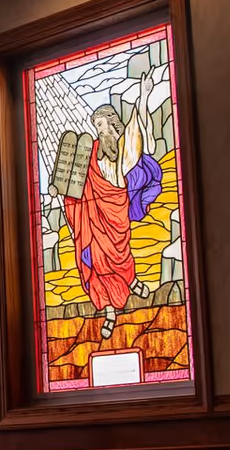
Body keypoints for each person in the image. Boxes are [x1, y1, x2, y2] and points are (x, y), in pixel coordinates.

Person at [60, 101, 163, 320]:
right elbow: (74, 179)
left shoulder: (125, 144)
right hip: (95, 215)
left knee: (121, 254)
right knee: (96, 261)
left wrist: (144, 99)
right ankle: (108, 310)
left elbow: (143, 139)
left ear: (111, 122)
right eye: (96, 127)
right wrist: (57, 188)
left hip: (117, 209)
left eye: (100, 124)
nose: (98, 131)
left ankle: (132, 281)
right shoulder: (92, 151)